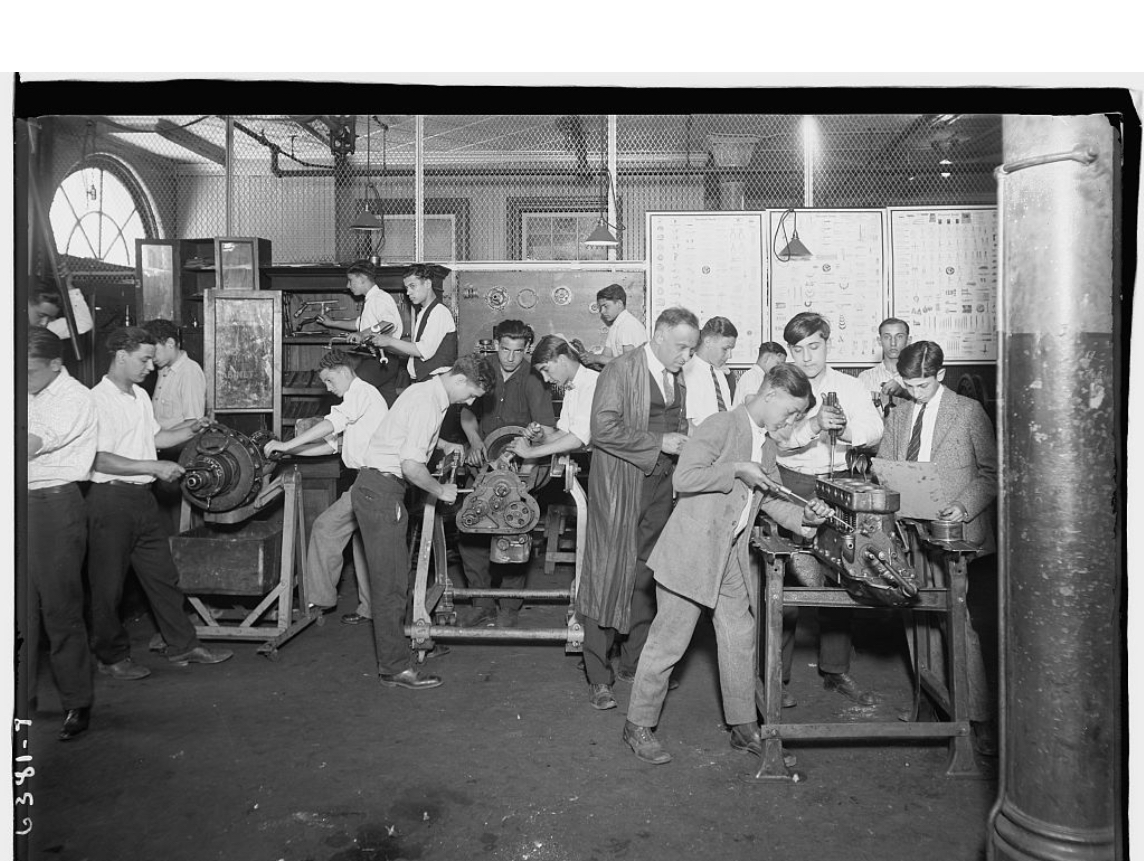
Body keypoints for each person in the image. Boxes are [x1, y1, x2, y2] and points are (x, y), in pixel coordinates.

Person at [623, 364, 834, 764]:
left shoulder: (767, 444)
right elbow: (685, 478)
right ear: (770, 394)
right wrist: (737, 467)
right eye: (790, 412)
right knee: (668, 643)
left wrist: (807, 519)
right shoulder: (721, 425)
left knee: (740, 637)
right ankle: (637, 724)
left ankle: (742, 728)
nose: (790, 422)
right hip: (691, 555)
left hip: (729, 556)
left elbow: (769, 497)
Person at [87, 326, 233, 680]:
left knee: (163, 576)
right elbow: (98, 459)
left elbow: (157, 437)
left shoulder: (138, 396)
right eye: (144, 359)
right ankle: (111, 657)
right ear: (121, 356)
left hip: (142, 499)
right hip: (110, 500)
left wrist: (192, 428)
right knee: (108, 586)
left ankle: (183, 645)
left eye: (152, 359)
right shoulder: (95, 400)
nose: (151, 367)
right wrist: (152, 466)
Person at [876, 340, 999, 755]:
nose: (916, 393)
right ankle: (928, 702)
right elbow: (886, 466)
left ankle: (977, 718)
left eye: (923, 385)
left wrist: (962, 506)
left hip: (953, 534)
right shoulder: (899, 412)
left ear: (940, 376)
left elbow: (991, 473)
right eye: (909, 385)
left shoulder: (967, 412)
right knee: (914, 614)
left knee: (957, 622)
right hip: (909, 528)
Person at [577, 306, 699, 711]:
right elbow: (603, 427)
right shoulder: (620, 370)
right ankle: (598, 676)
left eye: (691, 350)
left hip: (661, 484)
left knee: (647, 571)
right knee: (608, 572)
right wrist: (660, 443)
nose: (687, 356)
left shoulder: (675, 375)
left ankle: (632, 663)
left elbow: (671, 422)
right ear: (660, 336)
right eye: (682, 347)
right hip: (621, 487)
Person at [351, 354, 494, 690]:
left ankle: (403, 649)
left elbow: (405, 433)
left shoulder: (426, 391)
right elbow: (412, 466)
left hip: (380, 489)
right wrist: (440, 490)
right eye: (472, 393)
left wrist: (443, 445)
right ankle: (394, 668)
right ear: (459, 380)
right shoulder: (430, 403)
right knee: (390, 588)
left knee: (395, 582)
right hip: (382, 492)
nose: (471, 401)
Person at [774, 311, 884, 706]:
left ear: (827, 342)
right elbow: (778, 439)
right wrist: (814, 426)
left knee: (842, 576)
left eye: (814, 347)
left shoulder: (848, 386)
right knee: (785, 578)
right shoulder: (781, 384)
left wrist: (846, 431)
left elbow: (875, 431)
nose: (806, 358)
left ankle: (835, 670)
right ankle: (775, 675)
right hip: (791, 485)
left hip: (839, 483)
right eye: (798, 349)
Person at [263, 351, 389, 627]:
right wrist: (289, 454)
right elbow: (333, 445)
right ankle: (368, 607)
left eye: (330, 381)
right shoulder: (360, 398)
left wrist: (287, 445)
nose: (329, 388)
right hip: (365, 480)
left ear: (344, 371)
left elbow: (331, 424)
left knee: (325, 528)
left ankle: (317, 599)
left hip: (374, 481)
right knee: (358, 543)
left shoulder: (360, 394)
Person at [457, 320, 556, 628]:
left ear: (526, 348)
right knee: (471, 532)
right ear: (495, 344)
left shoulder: (534, 378)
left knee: (514, 531)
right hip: (481, 462)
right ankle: (481, 602)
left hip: (519, 469)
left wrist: (525, 444)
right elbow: (466, 412)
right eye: (504, 349)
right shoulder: (482, 369)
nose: (510, 357)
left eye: (517, 351)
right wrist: (474, 440)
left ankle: (509, 607)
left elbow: (547, 431)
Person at [26, 328, 97, 741]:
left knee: (60, 610)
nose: (23, 378)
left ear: (56, 364)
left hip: (53, 506)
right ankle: (22, 699)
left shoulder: (74, 398)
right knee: (19, 614)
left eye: (31, 371)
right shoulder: (28, 388)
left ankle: (76, 702)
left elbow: (30, 444)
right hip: (18, 502)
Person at [318, 260, 405, 405]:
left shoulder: (379, 298)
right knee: (387, 404)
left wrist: (363, 334)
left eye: (351, 280)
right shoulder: (371, 300)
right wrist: (332, 323)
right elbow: (359, 324)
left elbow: (389, 324)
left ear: (362, 279)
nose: (348, 285)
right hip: (383, 361)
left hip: (381, 359)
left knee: (352, 389)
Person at [507, 335, 599, 461]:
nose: (545, 379)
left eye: (546, 369)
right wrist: (541, 438)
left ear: (562, 360)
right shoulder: (572, 386)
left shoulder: (592, 384)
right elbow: (564, 434)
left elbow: (576, 440)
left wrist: (529, 452)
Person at [141, 319, 206, 431]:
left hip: (177, 446)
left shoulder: (189, 372)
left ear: (170, 343)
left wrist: (160, 438)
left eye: (154, 352)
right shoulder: (163, 369)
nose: (152, 359)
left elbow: (194, 422)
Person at [682, 316, 738, 427]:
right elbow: (689, 426)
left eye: (731, 350)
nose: (729, 355)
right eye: (725, 349)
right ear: (708, 341)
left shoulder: (718, 373)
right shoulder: (688, 375)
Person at [584, 284, 647, 368]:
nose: (602, 311)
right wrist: (587, 357)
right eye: (600, 308)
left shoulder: (628, 325)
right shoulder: (614, 327)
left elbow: (628, 362)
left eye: (606, 306)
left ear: (619, 304)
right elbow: (605, 357)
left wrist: (596, 358)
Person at [858, 317, 912, 413]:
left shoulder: (919, 376)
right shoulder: (865, 378)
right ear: (879, 341)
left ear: (908, 340)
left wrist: (903, 393)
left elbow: (928, 406)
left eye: (899, 336)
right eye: (887, 337)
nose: (893, 343)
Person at [731, 342, 788, 409]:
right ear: (766, 358)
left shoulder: (762, 378)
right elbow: (752, 407)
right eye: (778, 363)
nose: (780, 368)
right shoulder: (751, 376)